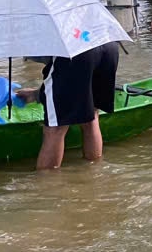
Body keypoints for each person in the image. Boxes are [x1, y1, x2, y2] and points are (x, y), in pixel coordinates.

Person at [16, 42, 120, 170]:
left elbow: (63, 72)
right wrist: (38, 94)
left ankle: (46, 184)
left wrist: (43, 94)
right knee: (91, 117)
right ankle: (94, 171)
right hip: (107, 45)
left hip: (74, 51)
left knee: (56, 129)